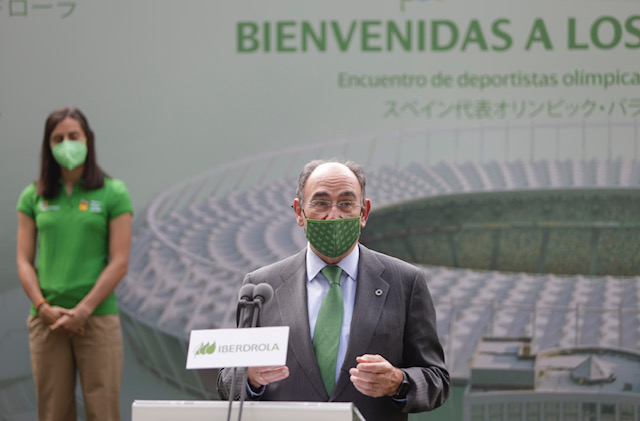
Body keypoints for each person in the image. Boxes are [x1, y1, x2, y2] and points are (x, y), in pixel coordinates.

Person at [217, 158, 449, 421]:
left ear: (363, 213)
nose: (334, 215)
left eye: (347, 203)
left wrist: (398, 381)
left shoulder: (405, 282)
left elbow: (437, 381)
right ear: (299, 212)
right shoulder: (260, 287)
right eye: (321, 203)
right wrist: (249, 378)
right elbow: (228, 381)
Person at [16, 107, 133, 421]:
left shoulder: (113, 193)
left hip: (96, 317)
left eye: (73, 136)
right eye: (58, 138)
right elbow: (24, 261)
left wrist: (83, 309)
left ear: (87, 140)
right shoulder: (33, 196)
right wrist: (42, 306)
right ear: (48, 145)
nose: (66, 143)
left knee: (103, 410)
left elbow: (120, 262)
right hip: (47, 319)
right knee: (53, 412)